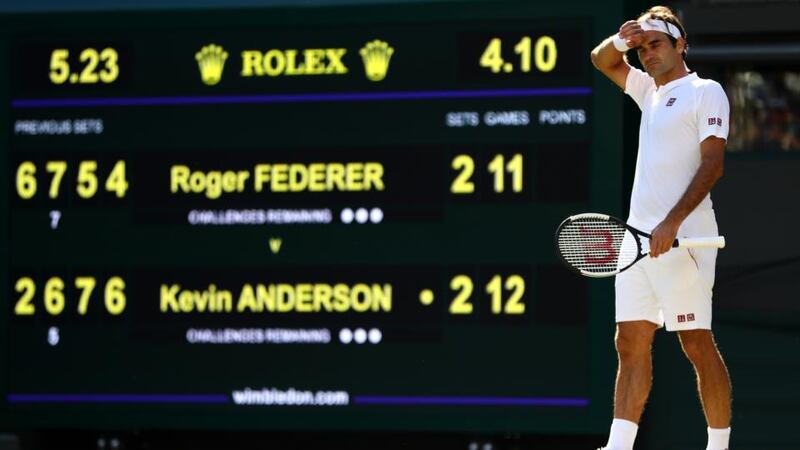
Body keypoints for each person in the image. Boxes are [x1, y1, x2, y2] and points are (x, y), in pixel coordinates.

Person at [589, 6, 732, 450]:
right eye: (642, 48)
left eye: (656, 45)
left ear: (680, 45)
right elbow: (601, 60)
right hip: (636, 240)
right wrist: (621, 40)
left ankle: (718, 446)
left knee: (696, 343)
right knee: (629, 341)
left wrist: (672, 221)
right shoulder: (647, 90)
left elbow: (713, 164)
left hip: (684, 239)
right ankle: (618, 445)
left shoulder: (705, 92)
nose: (648, 54)